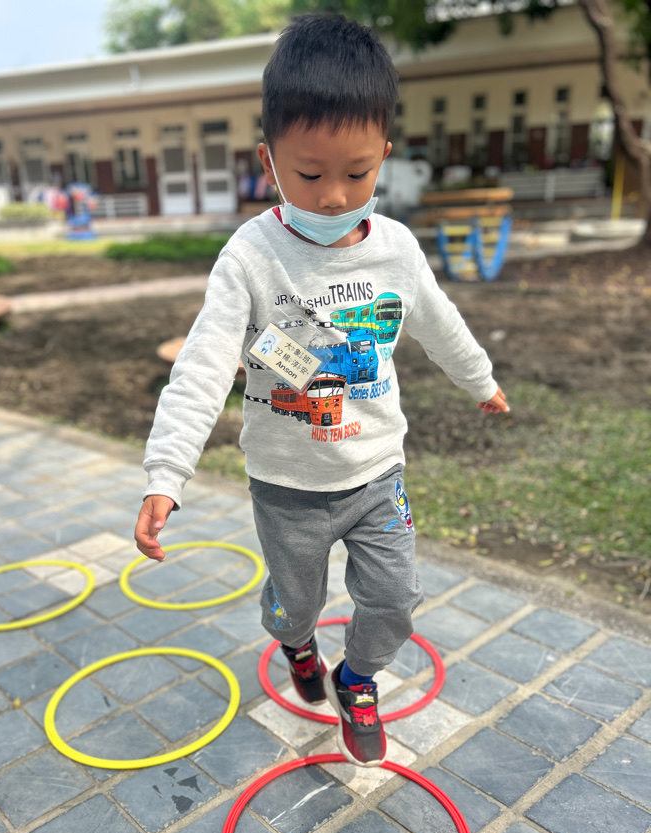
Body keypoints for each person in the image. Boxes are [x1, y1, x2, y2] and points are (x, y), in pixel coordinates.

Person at [134, 13, 508, 768]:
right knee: (295, 605)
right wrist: (166, 473)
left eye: (358, 173)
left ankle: (357, 678)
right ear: (269, 159)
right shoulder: (250, 257)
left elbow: (440, 324)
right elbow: (203, 365)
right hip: (287, 488)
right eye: (309, 175)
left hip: (377, 474)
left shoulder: (397, 251)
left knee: (395, 602)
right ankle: (296, 641)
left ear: (385, 156)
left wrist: (481, 381)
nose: (335, 196)